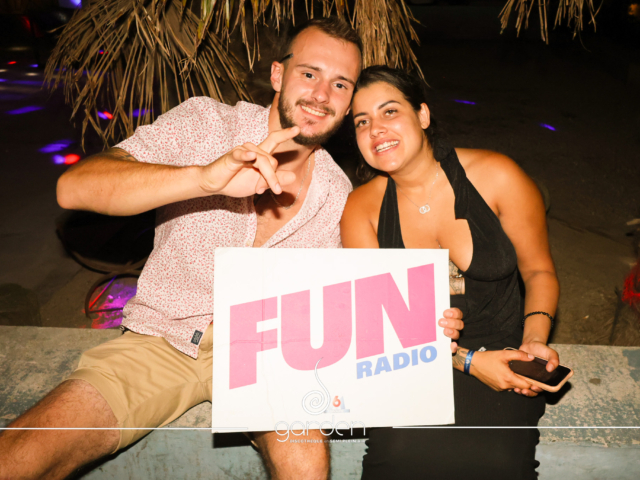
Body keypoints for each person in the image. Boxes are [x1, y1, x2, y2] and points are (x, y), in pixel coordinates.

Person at [0, 20, 464, 480]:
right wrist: (203, 178)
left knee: (306, 468)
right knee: (22, 454)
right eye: (309, 74)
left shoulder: (338, 195)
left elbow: (356, 306)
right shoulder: (207, 123)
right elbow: (74, 188)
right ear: (278, 74)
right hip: (161, 338)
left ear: (348, 103)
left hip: (270, 356)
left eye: (340, 84)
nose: (322, 94)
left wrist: (428, 319)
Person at [340, 65, 561, 479]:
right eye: (362, 121)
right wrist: (467, 361)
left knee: (499, 461)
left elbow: (538, 271)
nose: (376, 129)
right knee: (397, 456)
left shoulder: (497, 176)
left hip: (504, 348)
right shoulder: (361, 209)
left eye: (390, 111)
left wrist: (534, 340)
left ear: (422, 115)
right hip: (409, 359)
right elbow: (374, 322)